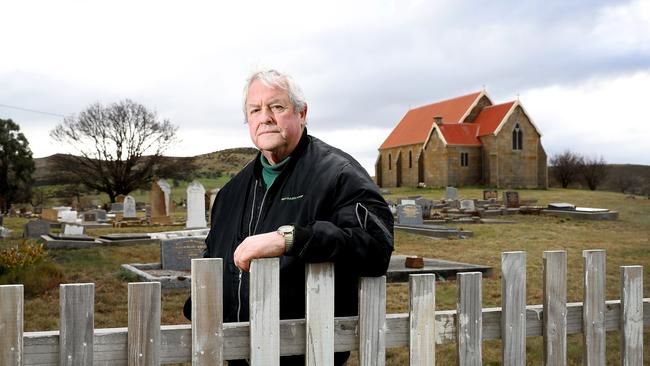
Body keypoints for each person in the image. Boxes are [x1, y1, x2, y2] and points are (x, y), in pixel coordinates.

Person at [184, 69, 394, 365]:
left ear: (302, 112)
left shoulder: (338, 174)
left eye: (277, 107)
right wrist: (199, 308)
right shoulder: (232, 191)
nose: (265, 117)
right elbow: (214, 256)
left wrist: (291, 239)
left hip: (309, 351)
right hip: (237, 351)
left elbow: (375, 247)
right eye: (255, 110)